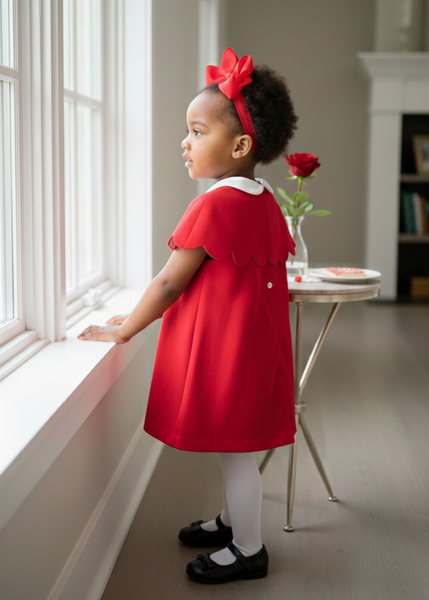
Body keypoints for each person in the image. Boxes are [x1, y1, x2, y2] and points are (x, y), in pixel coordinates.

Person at [78, 47, 298, 584]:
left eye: (198, 132)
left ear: (241, 145)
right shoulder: (265, 199)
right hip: (255, 348)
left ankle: (249, 548)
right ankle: (231, 521)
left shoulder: (216, 204)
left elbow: (170, 280)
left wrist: (124, 327)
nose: (186, 141)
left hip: (230, 352)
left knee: (236, 454)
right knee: (236, 448)